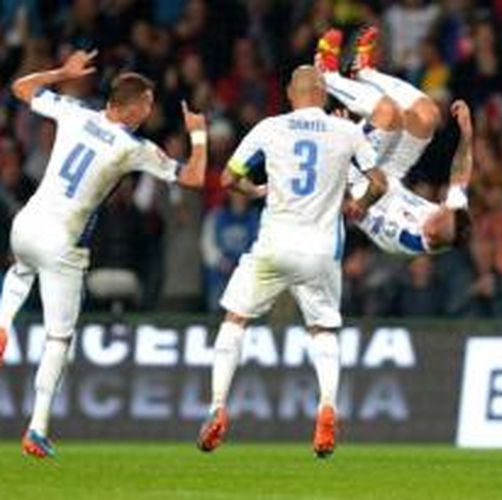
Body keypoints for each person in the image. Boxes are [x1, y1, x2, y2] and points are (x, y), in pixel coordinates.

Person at [0, 49, 207, 458]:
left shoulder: (76, 112)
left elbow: (20, 88)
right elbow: (194, 177)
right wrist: (198, 135)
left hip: (25, 226)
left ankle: (2, 321)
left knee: (22, 271)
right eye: (146, 106)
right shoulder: (133, 147)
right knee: (59, 338)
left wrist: (63, 71)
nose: (149, 113)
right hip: (62, 242)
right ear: (131, 109)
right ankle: (37, 428)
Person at [196, 65, 387, 459]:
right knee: (322, 329)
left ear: (289, 92)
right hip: (320, 252)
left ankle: (217, 406)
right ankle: (328, 407)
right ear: (324, 93)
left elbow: (229, 179)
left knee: (236, 320)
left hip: (274, 246)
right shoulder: (347, 131)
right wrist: (358, 205)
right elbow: (380, 183)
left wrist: (255, 189)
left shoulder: (270, 127)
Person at [316, 27, 473, 255]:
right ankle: (364, 71)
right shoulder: (453, 222)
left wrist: (347, 137)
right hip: (391, 175)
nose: (440, 208)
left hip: (360, 181)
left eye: (439, 217)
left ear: (432, 236)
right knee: (427, 115)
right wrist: (467, 133)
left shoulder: (403, 236)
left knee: (389, 114)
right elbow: (460, 174)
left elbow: (357, 208)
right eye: (445, 210)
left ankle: (326, 75)